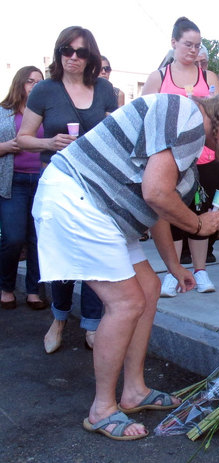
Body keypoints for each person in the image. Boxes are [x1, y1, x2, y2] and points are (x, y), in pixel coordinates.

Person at [31, 91, 219, 441]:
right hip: (78, 197)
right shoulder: (186, 115)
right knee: (126, 302)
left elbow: (156, 208)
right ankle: (102, 410)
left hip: (102, 210)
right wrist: (198, 225)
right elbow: (156, 192)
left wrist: (173, 265)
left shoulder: (187, 142)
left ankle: (134, 391)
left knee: (149, 288)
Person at [17, 26, 117, 353]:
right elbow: (23, 138)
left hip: (95, 182)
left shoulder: (104, 88)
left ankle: (91, 324)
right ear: (59, 52)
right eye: (66, 50)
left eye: (81, 52)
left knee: (94, 254)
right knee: (62, 255)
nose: (73, 57)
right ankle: (58, 318)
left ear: (91, 56)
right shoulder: (45, 89)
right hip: (58, 180)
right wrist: (49, 141)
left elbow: (116, 133)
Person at [141, 17, 219, 296]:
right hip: (170, 158)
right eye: (187, 44)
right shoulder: (159, 77)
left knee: (202, 210)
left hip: (204, 155)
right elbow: (145, 116)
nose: (193, 50)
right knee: (170, 212)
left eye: (198, 46)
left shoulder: (208, 78)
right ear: (174, 43)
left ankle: (200, 271)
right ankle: (172, 271)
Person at [0, 66, 49, 311]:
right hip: (13, 182)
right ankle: (6, 287)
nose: (34, 86)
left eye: (39, 82)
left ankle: (33, 291)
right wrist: (7, 146)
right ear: (20, 83)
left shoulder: (46, 111)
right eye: (30, 81)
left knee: (37, 238)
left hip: (42, 181)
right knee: (13, 238)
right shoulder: (3, 112)